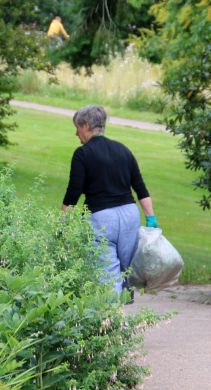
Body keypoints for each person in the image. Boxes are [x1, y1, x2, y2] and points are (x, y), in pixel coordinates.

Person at [62, 104, 158, 297]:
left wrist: (63, 223)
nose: (76, 133)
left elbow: (74, 192)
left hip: (102, 219)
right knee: (125, 272)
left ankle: (112, 313)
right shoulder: (123, 150)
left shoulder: (82, 153)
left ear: (86, 126)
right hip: (130, 216)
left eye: (77, 128)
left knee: (107, 273)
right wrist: (151, 218)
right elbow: (140, 188)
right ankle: (120, 311)